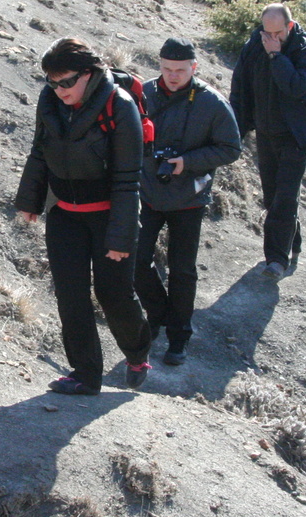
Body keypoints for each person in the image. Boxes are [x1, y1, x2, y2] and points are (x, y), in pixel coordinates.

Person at [15, 38, 153, 394]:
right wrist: (29, 199)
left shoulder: (119, 106)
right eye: (52, 81)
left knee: (113, 294)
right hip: (65, 214)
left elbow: (128, 180)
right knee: (70, 295)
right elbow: (39, 152)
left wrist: (121, 238)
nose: (58, 90)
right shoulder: (49, 101)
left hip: (109, 218)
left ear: (89, 74)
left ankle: (137, 354)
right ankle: (85, 375)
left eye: (66, 82)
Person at [134, 37, 242, 366]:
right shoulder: (144, 94)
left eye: (180, 70)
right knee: (135, 261)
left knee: (182, 271)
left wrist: (188, 160)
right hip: (147, 193)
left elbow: (231, 148)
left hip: (188, 199)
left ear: (194, 68)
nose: (173, 76)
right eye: (166, 69)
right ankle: (156, 315)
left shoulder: (211, 102)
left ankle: (179, 336)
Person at [228, 3, 306, 279]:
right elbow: (240, 88)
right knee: (273, 196)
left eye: (278, 33)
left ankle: (276, 259)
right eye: (266, 32)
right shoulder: (253, 47)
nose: (272, 39)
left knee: (285, 196)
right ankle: (292, 243)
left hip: (296, 136)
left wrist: (276, 56)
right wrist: (237, 129)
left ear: (290, 27)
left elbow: (296, 86)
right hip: (265, 133)